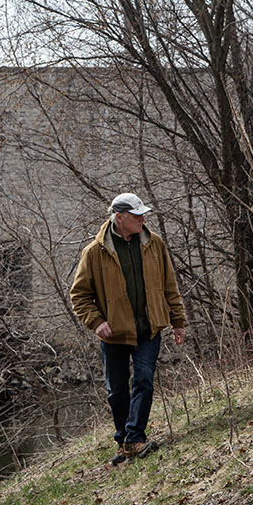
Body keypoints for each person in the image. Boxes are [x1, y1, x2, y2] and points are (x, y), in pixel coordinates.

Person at [70, 192, 186, 466]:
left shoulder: (155, 244)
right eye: (136, 216)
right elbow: (79, 295)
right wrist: (97, 322)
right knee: (117, 390)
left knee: (144, 379)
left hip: (149, 328)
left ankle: (135, 437)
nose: (142, 220)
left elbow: (170, 285)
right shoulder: (94, 253)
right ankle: (124, 441)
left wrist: (178, 321)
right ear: (119, 218)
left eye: (142, 215)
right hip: (115, 334)